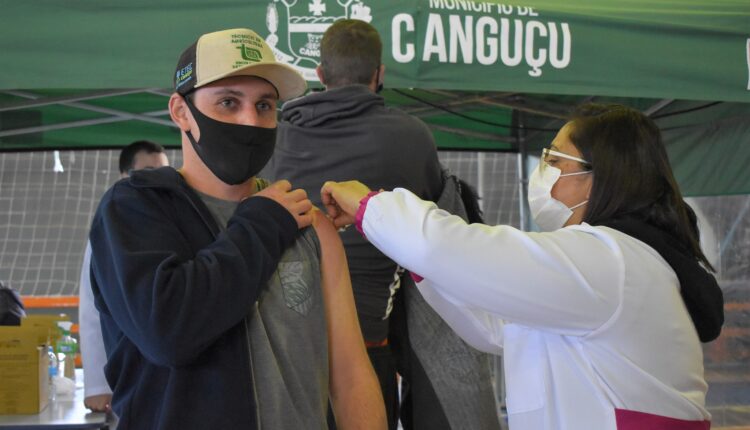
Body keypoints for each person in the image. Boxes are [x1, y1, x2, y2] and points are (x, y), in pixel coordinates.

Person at [320, 103, 724, 429]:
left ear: (599, 176)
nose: (542, 171)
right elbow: (495, 326)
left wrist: (371, 205)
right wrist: (419, 260)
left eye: (555, 159)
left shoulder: (611, 260)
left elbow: (456, 248)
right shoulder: (609, 266)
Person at [88, 28, 384, 429]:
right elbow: (167, 331)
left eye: (264, 105)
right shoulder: (135, 208)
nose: (250, 120)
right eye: (228, 102)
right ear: (181, 112)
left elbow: (350, 377)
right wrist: (263, 222)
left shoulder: (309, 224)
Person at [262, 19, 493, 429]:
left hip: (292, 355)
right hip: (369, 348)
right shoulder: (411, 138)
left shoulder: (277, 140)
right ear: (380, 73)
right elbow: (438, 230)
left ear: (319, 74)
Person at [78, 140, 169, 412]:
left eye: (163, 172)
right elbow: (92, 307)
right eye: (147, 172)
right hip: (129, 372)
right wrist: (97, 385)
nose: (157, 180)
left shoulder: (173, 220)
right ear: (124, 176)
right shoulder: (110, 224)